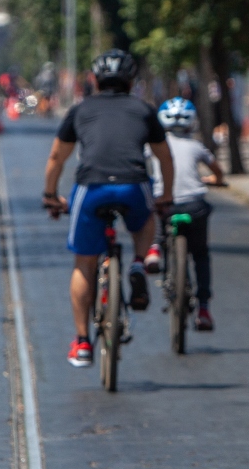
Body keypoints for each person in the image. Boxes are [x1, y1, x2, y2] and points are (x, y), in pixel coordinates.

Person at [42, 49, 175, 368]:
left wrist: (50, 195)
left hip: (91, 188)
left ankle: (82, 342)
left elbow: (57, 159)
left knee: (83, 265)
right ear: (131, 81)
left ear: (94, 80)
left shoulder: (80, 110)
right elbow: (164, 158)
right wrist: (166, 195)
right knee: (145, 220)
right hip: (133, 185)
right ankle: (141, 261)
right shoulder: (144, 109)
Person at [145, 97, 226, 331]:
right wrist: (217, 181)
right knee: (200, 254)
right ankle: (203, 309)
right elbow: (217, 169)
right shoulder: (197, 146)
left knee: (154, 211)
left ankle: (154, 248)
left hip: (165, 204)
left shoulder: (153, 146)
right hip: (194, 207)